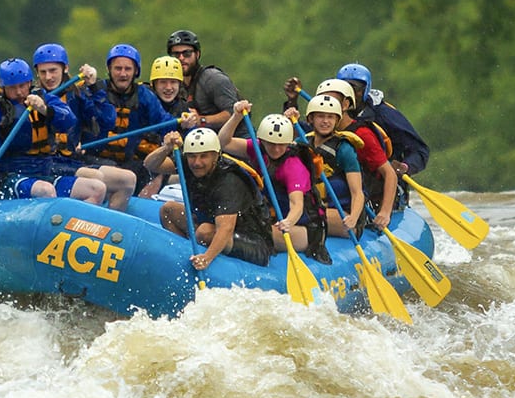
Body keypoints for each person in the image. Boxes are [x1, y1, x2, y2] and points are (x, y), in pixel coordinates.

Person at [0, 58, 106, 204]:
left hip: (45, 170)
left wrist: (44, 110)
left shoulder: (45, 99)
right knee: (45, 191)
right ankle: (51, 223)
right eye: (12, 88)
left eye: (22, 86)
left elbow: (69, 122)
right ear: (2, 88)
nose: (19, 92)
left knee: (96, 189)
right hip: (11, 176)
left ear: (30, 83)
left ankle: (76, 225)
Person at [143, 127, 275, 269]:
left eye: (204, 156)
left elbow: (225, 229)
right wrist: (166, 148)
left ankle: (205, 258)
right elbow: (150, 165)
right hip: (210, 224)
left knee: (204, 232)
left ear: (216, 155)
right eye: (192, 156)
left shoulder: (229, 180)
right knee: (168, 210)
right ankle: (185, 254)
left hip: (254, 244)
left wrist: (206, 258)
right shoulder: (189, 163)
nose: (197, 162)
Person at [216, 101, 330, 262]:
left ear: (288, 143)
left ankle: (235, 248)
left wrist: (288, 222)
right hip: (273, 219)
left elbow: (297, 204)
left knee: (261, 231)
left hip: (304, 228)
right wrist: (236, 117)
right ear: (262, 141)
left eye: (281, 145)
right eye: (271, 144)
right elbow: (223, 143)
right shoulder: (257, 148)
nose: (276, 149)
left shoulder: (293, 166)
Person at [31, 43, 135, 210]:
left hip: (72, 160)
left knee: (127, 179)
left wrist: (95, 86)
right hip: (46, 163)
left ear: (65, 68)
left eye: (53, 71)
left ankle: (107, 227)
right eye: (43, 72)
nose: (48, 77)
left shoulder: (76, 94)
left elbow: (107, 120)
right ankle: (80, 224)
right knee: (97, 177)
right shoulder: (34, 97)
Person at [314, 78, 398, 229]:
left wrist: (385, 212)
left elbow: (389, 173)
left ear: (345, 105)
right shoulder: (315, 133)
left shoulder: (362, 135)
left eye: (332, 101)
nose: (326, 105)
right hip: (324, 200)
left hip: (359, 201)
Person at [96, 43, 175, 196]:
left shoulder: (145, 96)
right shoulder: (96, 92)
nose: (123, 74)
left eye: (128, 69)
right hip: (95, 159)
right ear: (109, 70)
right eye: (118, 69)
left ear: (136, 71)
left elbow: (165, 123)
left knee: (147, 170)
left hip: (130, 163)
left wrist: (186, 125)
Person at [336, 62, 430, 177]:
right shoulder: (328, 115)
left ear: (366, 90)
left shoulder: (384, 114)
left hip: (382, 179)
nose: (350, 94)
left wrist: (405, 166)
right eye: (345, 89)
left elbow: (420, 151)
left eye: (355, 89)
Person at [299, 94, 365, 238]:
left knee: (306, 214)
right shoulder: (301, 144)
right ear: (311, 119)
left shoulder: (344, 149)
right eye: (320, 116)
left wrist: (353, 217)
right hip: (310, 208)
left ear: (337, 120)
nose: (325, 121)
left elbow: (357, 192)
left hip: (343, 215)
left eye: (330, 117)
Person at [135, 55, 198, 197]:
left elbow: (191, 141)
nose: (168, 88)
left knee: (159, 173)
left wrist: (190, 128)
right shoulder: (141, 98)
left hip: (157, 164)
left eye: (173, 82)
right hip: (134, 157)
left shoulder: (183, 109)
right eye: (163, 82)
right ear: (154, 84)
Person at [165, 29, 240, 134]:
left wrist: (201, 120)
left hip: (235, 140)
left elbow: (234, 113)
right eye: (176, 55)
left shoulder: (213, 78)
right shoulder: (174, 85)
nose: (181, 58)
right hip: (201, 144)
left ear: (197, 54)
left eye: (186, 53)